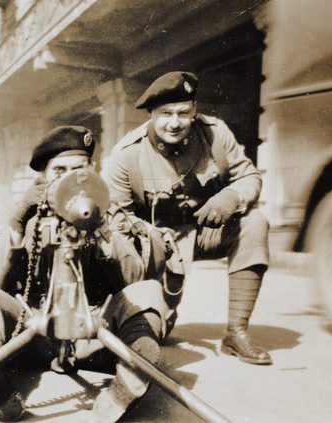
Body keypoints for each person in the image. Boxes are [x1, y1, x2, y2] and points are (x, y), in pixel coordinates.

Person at [0, 126, 179, 422]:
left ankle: (128, 379)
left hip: (94, 336)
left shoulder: (108, 210)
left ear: (90, 171)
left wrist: (101, 229)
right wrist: (18, 221)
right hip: (33, 331)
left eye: (78, 170)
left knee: (150, 292)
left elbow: (134, 280)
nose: (67, 178)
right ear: (44, 176)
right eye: (59, 170)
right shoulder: (25, 211)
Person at [105, 71, 272, 366]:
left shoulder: (215, 134)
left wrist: (230, 198)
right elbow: (115, 215)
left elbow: (249, 177)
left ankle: (236, 332)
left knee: (254, 223)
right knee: (157, 333)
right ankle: (159, 309)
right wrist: (146, 234)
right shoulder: (126, 154)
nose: (175, 122)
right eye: (165, 113)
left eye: (183, 112)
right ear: (151, 114)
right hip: (154, 246)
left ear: (194, 111)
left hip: (207, 230)